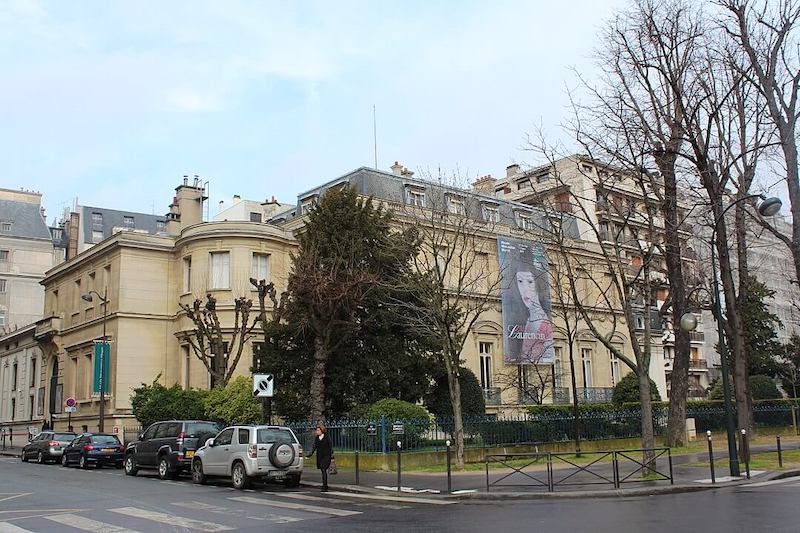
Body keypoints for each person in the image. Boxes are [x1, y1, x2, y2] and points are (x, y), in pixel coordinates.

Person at [501, 241, 555, 364]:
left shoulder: (544, 325)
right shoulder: (527, 319)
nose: (524, 289)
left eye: (530, 282)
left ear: (538, 283)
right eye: (520, 281)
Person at [307, 424, 333, 491]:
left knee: (323, 469)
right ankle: (325, 485)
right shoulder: (317, 438)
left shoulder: (327, 437)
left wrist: (332, 456)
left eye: (318, 430)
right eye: (316, 430)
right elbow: (314, 447)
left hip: (327, 456)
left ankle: (325, 486)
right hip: (320, 456)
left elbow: (330, 446)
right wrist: (309, 455)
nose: (317, 431)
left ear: (322, 430)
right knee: (322, 470)